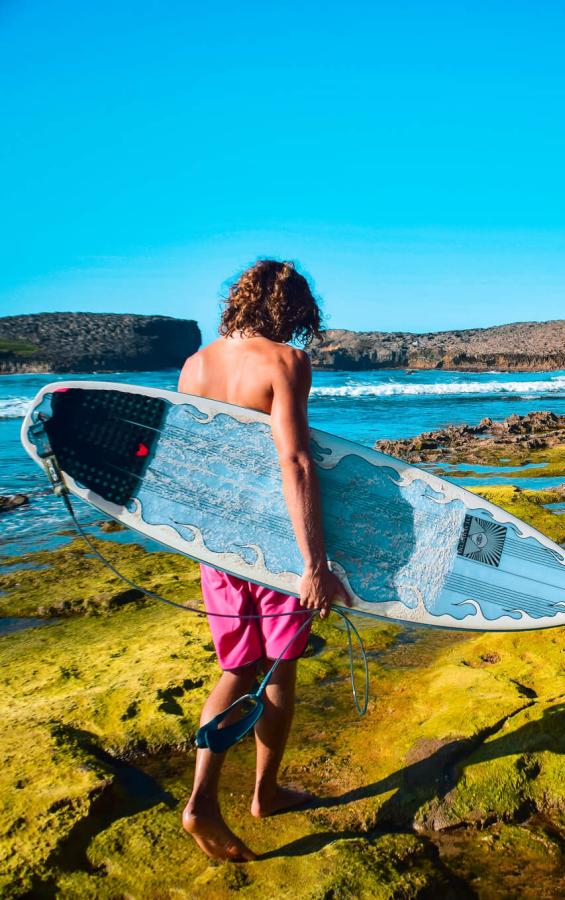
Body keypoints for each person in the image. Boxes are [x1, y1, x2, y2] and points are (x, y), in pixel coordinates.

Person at [177, 259, 350, 862]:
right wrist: (315, 564)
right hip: (275, 545)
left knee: (235, 668)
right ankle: (265, 793)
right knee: (281, 663)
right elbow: (295, 462)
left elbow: (192, 465)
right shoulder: (285, 361)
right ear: (293, 309)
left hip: (217, 545)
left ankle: (201, 799)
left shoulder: (194, 364)